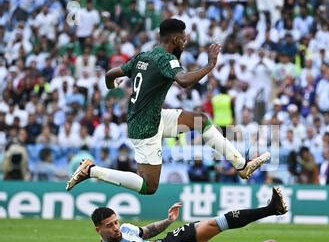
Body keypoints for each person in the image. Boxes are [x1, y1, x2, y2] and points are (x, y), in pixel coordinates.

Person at [66, 18, 269, 195]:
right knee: (149, 187)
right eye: (184, 38)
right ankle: (91, 170)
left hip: (152, 116)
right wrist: (209, 66)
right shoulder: (166, 59)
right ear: (175, 40)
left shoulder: (142, 56)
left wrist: (112, 86)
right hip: (146, 128)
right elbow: (183, 80)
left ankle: (241, 166)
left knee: (200, 120)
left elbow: (110, 74)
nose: (185, 42)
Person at [67, 187, 287, 242]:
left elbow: (147, 231)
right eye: (110, 225)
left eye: (115, 222)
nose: (115, 227)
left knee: (213, 224)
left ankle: (271, 209)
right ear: (98, 229)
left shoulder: (125, 229)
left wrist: (168, 220)